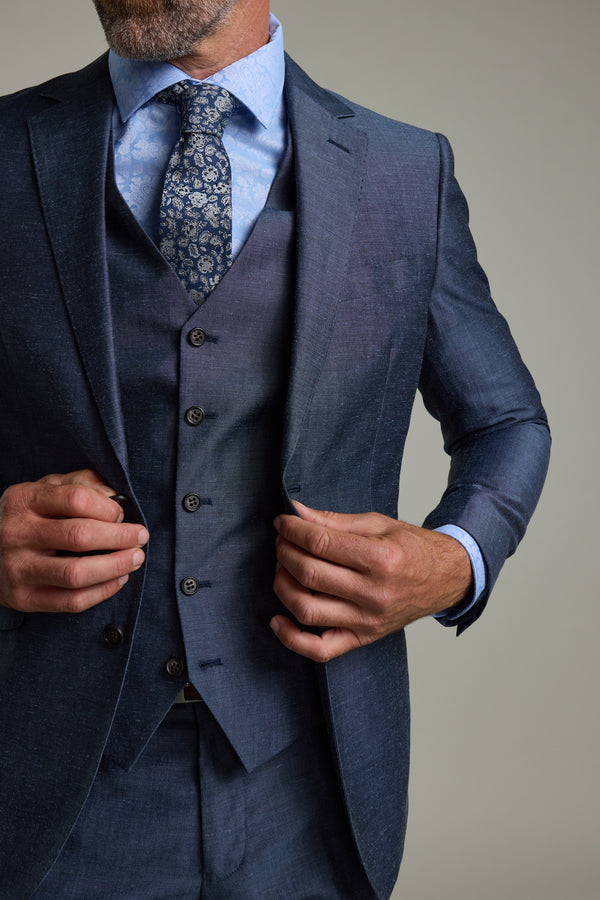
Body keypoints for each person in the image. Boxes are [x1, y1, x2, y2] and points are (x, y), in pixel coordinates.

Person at [0, 1, 550, 897]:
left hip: (312, 783)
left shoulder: (404, 173)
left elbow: (506, 422)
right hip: (47, 782)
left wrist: (454, 560)